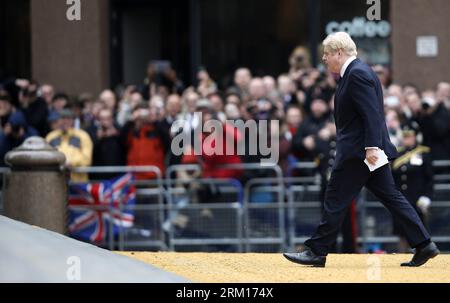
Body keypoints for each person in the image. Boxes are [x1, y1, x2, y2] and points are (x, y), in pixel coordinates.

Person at [283, 32, 438, 268]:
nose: (324, 58)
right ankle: (424, 244)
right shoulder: (356, 73)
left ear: (339, 52)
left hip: (359, 153)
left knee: (335, 197)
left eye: (326, 53)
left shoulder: (357, 74)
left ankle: (316, 250)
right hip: (364, 151)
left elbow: (372, 114)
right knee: (391, 197)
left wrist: (371, 147)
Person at [392, 126, 433, 252]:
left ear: (415, 136)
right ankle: (402, 255)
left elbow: (429, 178)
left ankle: (421, 253)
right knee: (401, 231)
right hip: (402, 198)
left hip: (417, 198)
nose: (407, 139)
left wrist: (427, 196)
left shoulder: (423, 153)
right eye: (405, 136)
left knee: (419, 229)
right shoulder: (397, 153)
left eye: (409, 136)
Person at [45, 108, 93, 183]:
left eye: (68, 118)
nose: (65, 121)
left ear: (73, 121)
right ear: (58, 120)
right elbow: (45, 157)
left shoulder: (83, 136)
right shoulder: (51, 137)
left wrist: (71, 163)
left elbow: (87, 159)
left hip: (78, 182)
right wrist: (60, 162)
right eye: (62, 118)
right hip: (56, 181)